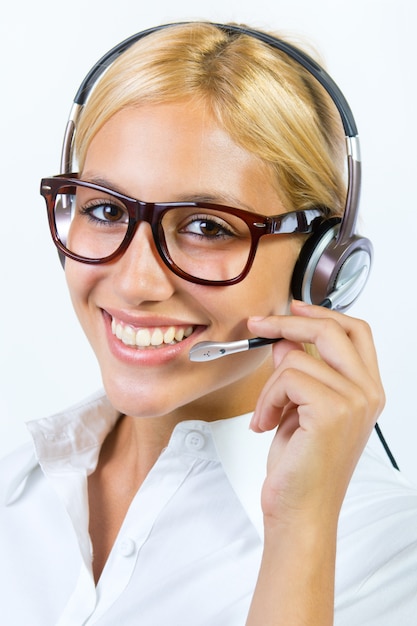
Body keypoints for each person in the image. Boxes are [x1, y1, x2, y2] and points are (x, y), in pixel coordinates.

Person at [1, 21, 416, 626]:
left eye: (206, 226)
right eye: (104, 209)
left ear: (320, 266)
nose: (138, 282)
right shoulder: (17, 484)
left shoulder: (382, 548)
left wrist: (299, 530)